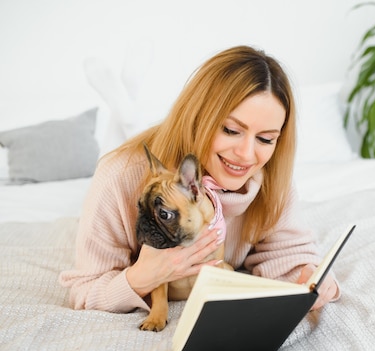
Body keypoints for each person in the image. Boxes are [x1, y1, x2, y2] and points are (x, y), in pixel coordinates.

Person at [59, 45, 339, 314]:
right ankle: (123, 108)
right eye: (230, 130)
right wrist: (139, 278)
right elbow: (84, 289)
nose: (245, 154)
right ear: (197, 117)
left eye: (266, 139)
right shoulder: (118, 176)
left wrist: (314, 278)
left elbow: (292, 257)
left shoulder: (267, 175)